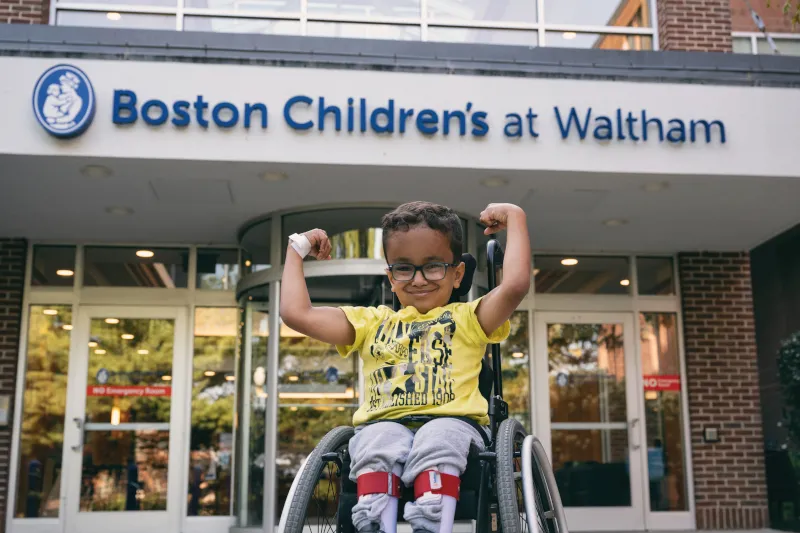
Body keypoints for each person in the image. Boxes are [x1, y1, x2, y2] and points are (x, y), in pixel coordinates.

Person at [280, 201, 531, 533]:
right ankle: (374, 518)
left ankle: (429, 520)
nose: (418, 279)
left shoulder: (468, 319)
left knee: (437, 437)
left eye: (433, 266)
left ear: (457, 274)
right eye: (404, 268)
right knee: (376, 440)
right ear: (390, 277)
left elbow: (514, 286)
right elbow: (297, 314)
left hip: (453, 424)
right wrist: (297, 250)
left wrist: (516, 218)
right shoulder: (372, 323)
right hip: (384, 423)